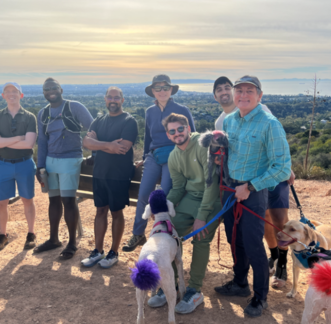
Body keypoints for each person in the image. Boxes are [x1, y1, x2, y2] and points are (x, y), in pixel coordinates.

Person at [212, 75, 291, 318]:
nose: (243, 95)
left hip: (253, 193)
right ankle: (239, 283)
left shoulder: (270, 124)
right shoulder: (230, 121)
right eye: (240, 90)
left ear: (259, 96)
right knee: (234, 239)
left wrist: (251, 187)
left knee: (254, 244)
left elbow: (282, 168)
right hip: (230, 190)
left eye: (250, 91)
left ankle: (260, 297)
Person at [146, 113, 222, 314]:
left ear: (188, 127)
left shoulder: (202, 145)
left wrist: (201, 217)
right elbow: (178, 187)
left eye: (180, 129)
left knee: (201, 237)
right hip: (191, 198)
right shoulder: (173, 156)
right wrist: (163, 211)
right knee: (167, 233)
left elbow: (212, 183)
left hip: (213, 199)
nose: (177, 133)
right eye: (172, 131)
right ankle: (170, 284)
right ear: (168, 135)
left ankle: (195, 290)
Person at [123, 74, 196, 252]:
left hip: (174, 156)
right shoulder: (150, 111)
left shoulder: (182, 110)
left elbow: (192, 135)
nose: (162, 91)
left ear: (171, 90)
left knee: (164, 196)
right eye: (158, 88)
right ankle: (138, 233)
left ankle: (163, 234)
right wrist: (146, 155)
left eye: (165, 87)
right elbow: (148, 136)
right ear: (153, 92)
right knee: (143, 194)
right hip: (154, 156)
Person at [34, 77, 94, 259]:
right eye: (47, 89)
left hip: (71, 159)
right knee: (53, 201)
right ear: (43, 93)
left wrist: (94, 151)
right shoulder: (43, 113)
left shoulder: (74, 107)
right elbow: (42, 142)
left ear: (61, 89)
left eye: (54, 88)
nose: (50, 91)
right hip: (51, 161)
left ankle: (72, 243)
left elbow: (92, 127)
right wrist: (40, 165)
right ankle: (54, 239)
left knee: (68, 201)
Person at [81, 87, 137, 268]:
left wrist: (98, 145)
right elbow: (86, 142)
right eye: (110, 97)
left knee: (116, 213)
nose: (113, 100)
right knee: (100, 211)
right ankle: (98, 251)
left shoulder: (129, 121)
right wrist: (109, 145)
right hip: (100, 173)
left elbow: (123, 148)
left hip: (119, 175)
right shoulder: (98, 120)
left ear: (122, 100)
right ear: (105, 99)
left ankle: (114, 252)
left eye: (116, 98)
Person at [0, 82, 38, 250]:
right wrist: (18, 138)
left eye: (14, 91)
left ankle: (31, 233)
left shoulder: (30, 117)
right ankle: (3, 235)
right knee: (1, 203)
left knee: (27, 200)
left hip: (25, 163)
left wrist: (2, 142)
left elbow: (29, 144)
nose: (11, 94)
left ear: (21, 95)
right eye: (7, 91)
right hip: (3, 164)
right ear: (3, 96)